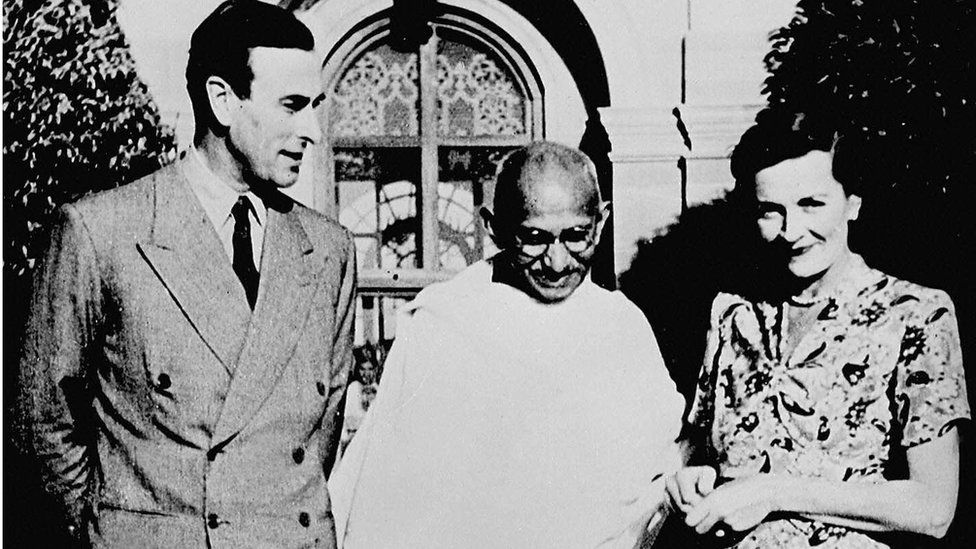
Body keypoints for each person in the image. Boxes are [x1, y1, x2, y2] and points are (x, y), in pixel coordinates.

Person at [13, 1, 356, 547]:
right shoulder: (101, 232)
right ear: (222, 100)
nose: (312, 130)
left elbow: (321, 432)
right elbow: (42, 427)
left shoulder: (329, 250)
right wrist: (113, 534)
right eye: (292, 106)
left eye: (315, 106)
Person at [329, 141, 685, 548]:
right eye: (533, 238)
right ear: (493, 227)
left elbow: (658, 469)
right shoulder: (446, 325)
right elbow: (394, 499)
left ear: (600, 224)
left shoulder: (622, 327)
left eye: (576, 237)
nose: (556, 262)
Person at [666, 112, 971, 548]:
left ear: (853, 203)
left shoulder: (916, 314)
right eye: (770, 211)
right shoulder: (732, 313)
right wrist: (691, 478)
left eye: (812, 204)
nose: (791, 232)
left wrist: (771, 491)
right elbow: (700, 447)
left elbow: (933, 508)